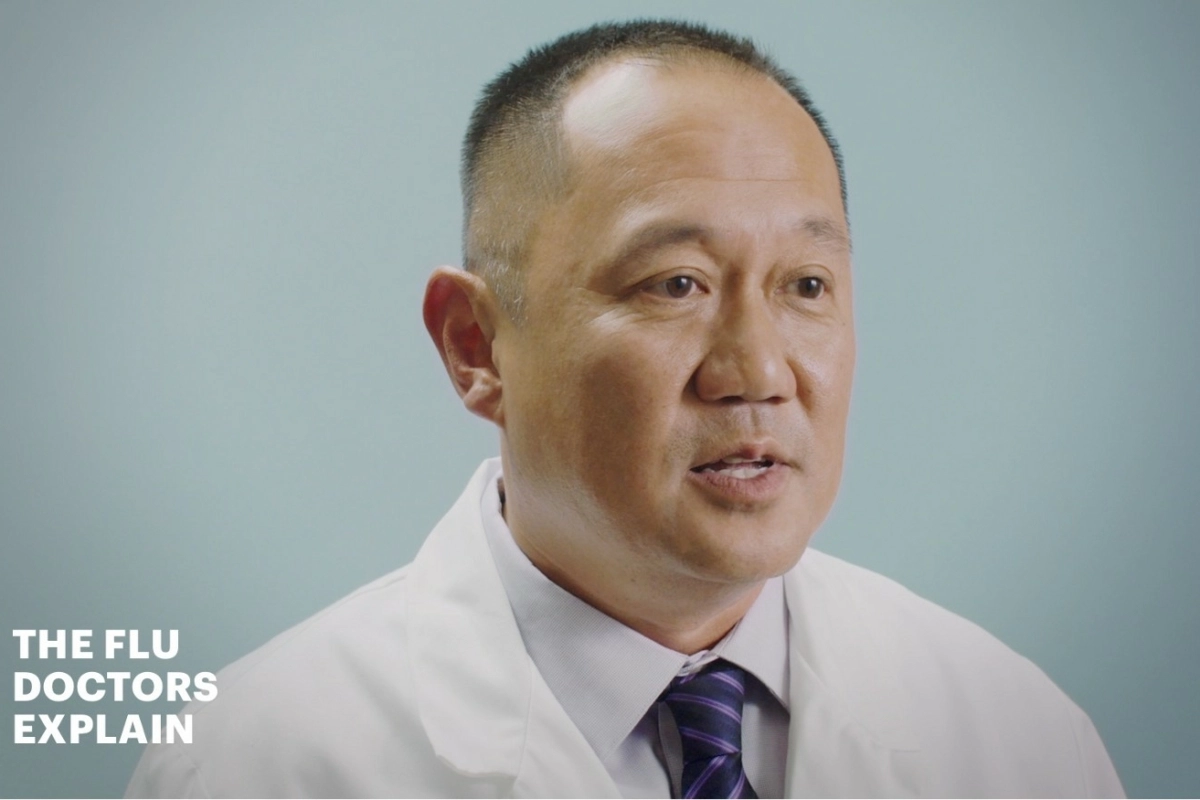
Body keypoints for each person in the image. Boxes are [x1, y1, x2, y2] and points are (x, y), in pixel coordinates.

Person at [127, 19, 1124, 798]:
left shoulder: (1017, 734)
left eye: (806, 285)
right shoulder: (254, 761)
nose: (757, 369)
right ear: (476, 347)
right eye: (674, 283)